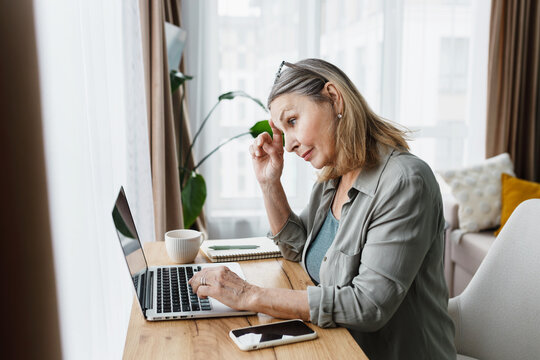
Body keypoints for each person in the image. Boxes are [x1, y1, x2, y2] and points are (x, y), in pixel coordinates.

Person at [189, 58, 456, 359]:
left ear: (333, 98)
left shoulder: (404, 182)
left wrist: (250, 294)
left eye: (292, 121)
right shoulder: (333, 177)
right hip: (335, 344)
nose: (288, 144)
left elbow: (368, 306)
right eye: (282, 130)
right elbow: (299, 247)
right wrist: (269, 183)